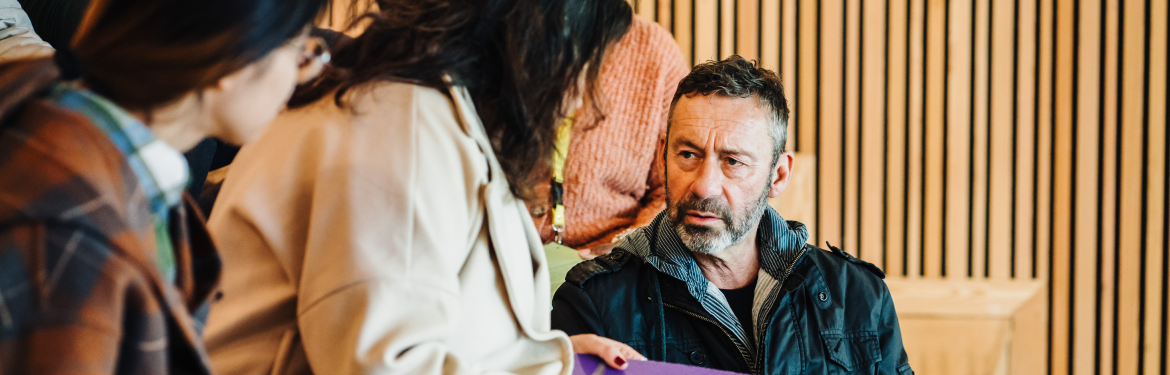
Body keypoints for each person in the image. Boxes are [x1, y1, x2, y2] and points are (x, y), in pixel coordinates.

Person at [202, 0, 643, 374]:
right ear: (542, 44)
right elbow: (389, 364)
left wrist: (543, 358)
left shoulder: (434, 116)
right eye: (586, 65)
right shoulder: (400, 125)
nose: (583, 99)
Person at [0, 0, 327, 372]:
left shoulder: (65, 131)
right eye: (302, 51)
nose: (305, 73)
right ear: (234, 56)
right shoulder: (72, 235)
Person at [550, 56, 914, 374]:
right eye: (688, 155)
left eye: (733, 161)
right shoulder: (592, 301)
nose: (704, 187)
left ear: (779, 175)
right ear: (663, 157)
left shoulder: (859, 297)